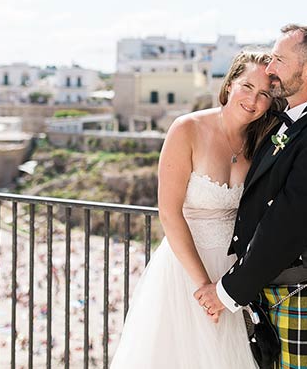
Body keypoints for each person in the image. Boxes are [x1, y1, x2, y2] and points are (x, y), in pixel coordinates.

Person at [195, 25, 307, 369]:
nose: (271, 69)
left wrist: (226, 293)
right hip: (271, 292)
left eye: (280, 60)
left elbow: (284, 229)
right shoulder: (287, 123)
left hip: (301, 293)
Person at [110, 50, 282, 369]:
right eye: (247, 86)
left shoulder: (263, 144)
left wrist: (230, 287)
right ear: (229, 84)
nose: (254, 100)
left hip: (231, 276)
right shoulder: (187, 129)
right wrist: (204, 287)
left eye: (264, 94)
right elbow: (169, 213)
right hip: (185, 270)